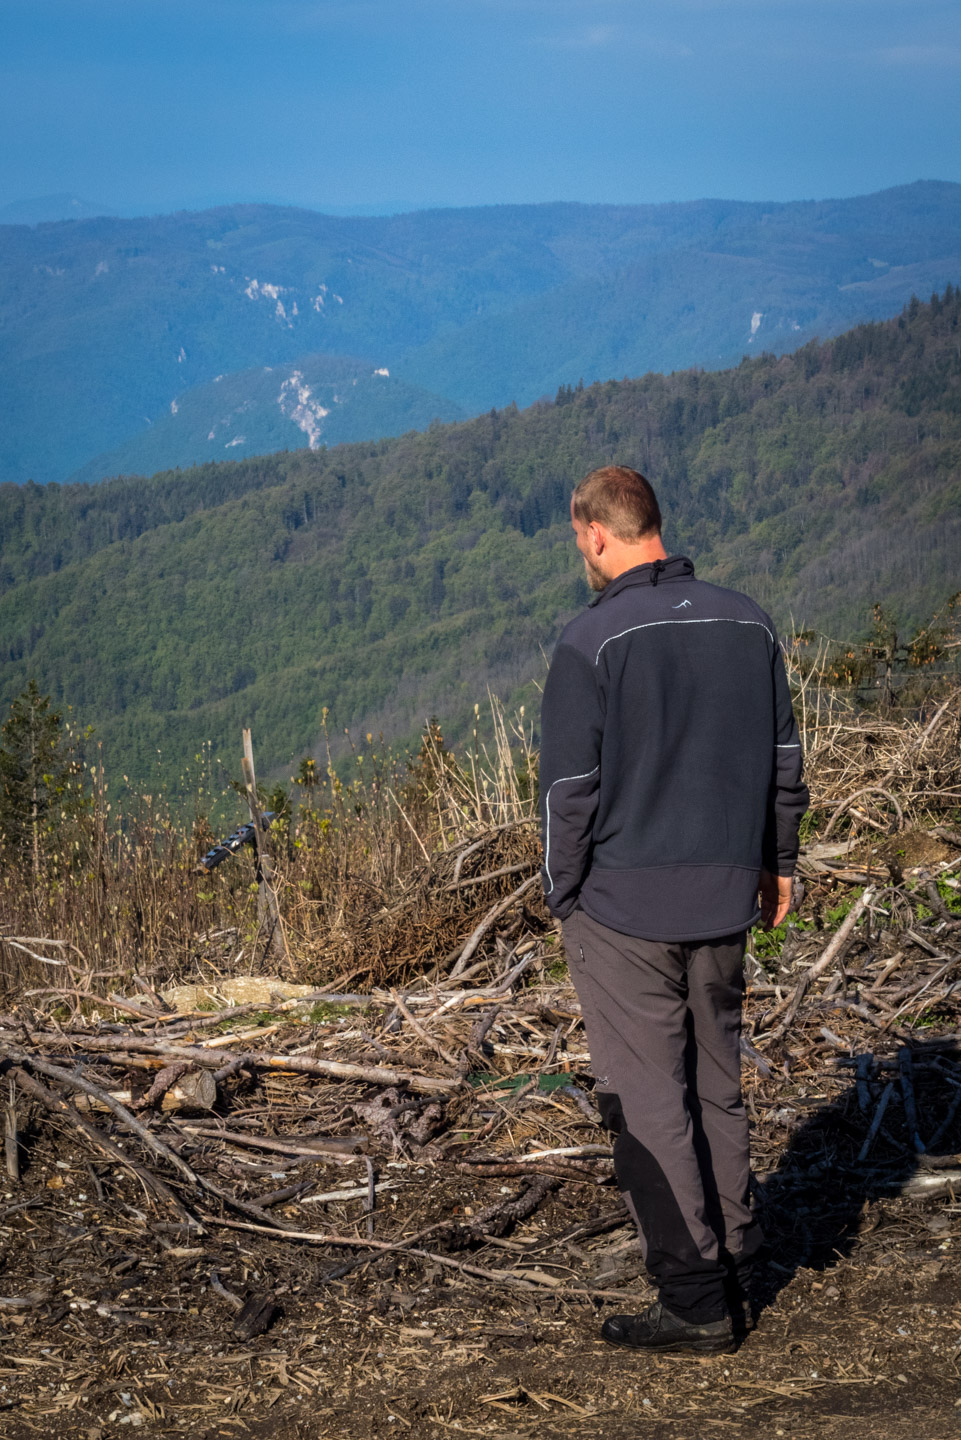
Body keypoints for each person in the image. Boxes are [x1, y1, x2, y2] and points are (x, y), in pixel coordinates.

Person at [539, 465, 808, 1354]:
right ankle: (734, 1256)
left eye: (578, 537)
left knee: (645, 1099)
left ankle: (694, 1300)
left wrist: (563, 893)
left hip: (624, 904)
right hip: (729, 891)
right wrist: (779, 867)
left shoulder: (591, 640)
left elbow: (569, 792)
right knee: (715, 1081)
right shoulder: (747, 621)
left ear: (593, 533)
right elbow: (781, 760)